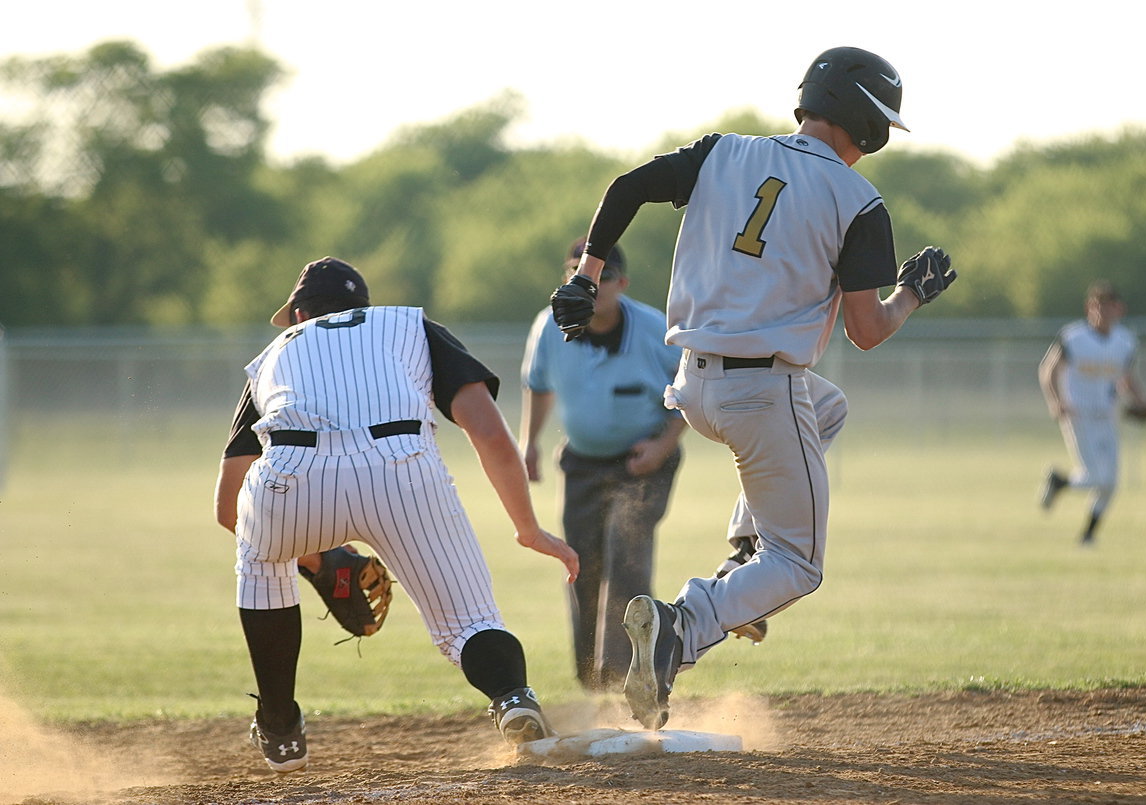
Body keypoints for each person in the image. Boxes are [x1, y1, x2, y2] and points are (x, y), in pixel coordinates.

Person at [549, 46, 957, 730]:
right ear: (867, 122)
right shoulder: (858, 199)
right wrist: (912, 293)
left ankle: (744, 548)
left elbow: (625, 187)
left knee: (828, 406)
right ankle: (683, 622)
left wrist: (586, 275)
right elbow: (865, 328)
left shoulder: (723, 151)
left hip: (694, 384)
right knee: (799, 565)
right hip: (760, 394)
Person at [213, 256, 579, 772]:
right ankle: (513, 697)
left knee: (259, 560)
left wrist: (316, 559)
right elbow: (489, 432)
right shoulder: (408, 324)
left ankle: (279, 726)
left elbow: (228, 507)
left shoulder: (272, 358)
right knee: (470, 623)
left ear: (297, 316)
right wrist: (528, 528)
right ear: (364, 306)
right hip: (402, 468)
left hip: (290, 476)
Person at [520, 237, 687, 691]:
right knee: (580, 566)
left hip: (642, 461)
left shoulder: (654, 328)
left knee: (625, 557)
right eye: (580, 274)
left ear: (622, 283)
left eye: (603, 276)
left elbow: (691, 389)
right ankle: (592, 680)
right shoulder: (550, 326)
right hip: (582, 463)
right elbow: (537, 384)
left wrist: (664, 445)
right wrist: (529, 443)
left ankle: (628, 674)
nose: (592, 286)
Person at [1037, 280, 1146, 545]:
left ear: (1118, 309)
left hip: (1107, 416)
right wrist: (1056, 401)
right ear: (1089, 308)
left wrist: (1141, 400)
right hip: (1078, 414)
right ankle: (1058, 482)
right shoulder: (1074, 337)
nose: (1102, 312)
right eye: (1096, 306)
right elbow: (1048, 370)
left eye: (1108, 306)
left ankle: (1087, 535)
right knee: (1093, 477)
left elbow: (1125, 378)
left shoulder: (1124, 341)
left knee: (1110, 484)